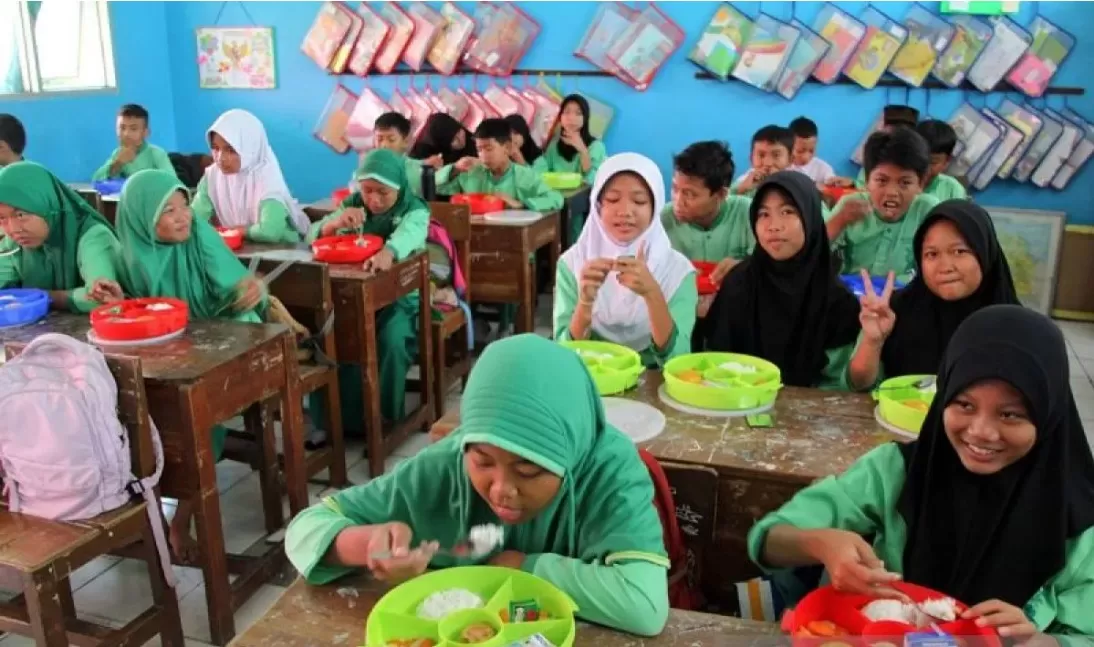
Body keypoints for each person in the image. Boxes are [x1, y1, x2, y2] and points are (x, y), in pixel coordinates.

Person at [285, 334, 671, 637]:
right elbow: (304, 529)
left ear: (570, 454)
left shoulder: (610, 472)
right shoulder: (445, 468)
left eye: (528, 470)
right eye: (483, 461)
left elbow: (644, 603)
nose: (501, 488)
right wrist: (366, 544)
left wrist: (523, 566)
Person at [748, 305, 1094, 638]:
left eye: (1010, 414)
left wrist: (1039, 641)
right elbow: (766, 539)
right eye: (964, 404)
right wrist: (820, 543)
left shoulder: (1079, 522)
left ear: (1049, 416)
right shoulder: (897, 471)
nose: (981, 432)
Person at [114, 169, 266, 560]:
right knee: (135, 426)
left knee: (198, 421)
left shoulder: (199, 234)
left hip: (211, 347)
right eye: (167, 210)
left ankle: (181, 522)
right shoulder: (127, 257)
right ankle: (150, 521)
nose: (183, 216)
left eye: (184, 205)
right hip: (157, 356)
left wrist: (249, 292)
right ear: (141, 219)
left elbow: (238, 288)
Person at [702, 171, 860, 390]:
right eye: (763, 214)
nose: (773, 226)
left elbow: (838, 384)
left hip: (810, 414)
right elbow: (715, 360)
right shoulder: (739, 282)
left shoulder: (836, 300)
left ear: (810, 217)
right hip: (736, 401)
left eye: (787, 211)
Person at [308, 149, 429, 428]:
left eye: (382, 192)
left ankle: (383, 418)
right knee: (330, 337)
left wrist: (390, 251)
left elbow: (410, 234)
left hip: (400, 299)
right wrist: (335, 223)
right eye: (367, 190)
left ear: (398, 188)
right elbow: (312, 234)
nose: (373, 200)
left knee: (391, 340)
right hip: (353, 296)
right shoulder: (353, 204)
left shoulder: (414, 209)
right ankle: (336, 422)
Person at [847, 201, 1019, 390]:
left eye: (959, 251)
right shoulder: (895, 309)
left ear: (985, 253)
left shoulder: (1014, 324)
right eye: (932, 254)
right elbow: (859, 384)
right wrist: (873, 342)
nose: (945, 266)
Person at [554, 152, 697, 367]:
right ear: (598, 207)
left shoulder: (677, 272)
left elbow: (679, 360)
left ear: (654, 208)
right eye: (612, 200)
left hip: (653, 381)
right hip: (592, 379)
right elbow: (562, 355)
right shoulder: (572, 263)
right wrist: (584, 303)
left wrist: (652, 293)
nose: (625, 212)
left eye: (639, 201)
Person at [0, 161, 123, 312]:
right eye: (1, 218)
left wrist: (40, 298)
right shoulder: (14, 245)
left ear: (48, 204)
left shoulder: (93, 236)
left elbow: (105, 300)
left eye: (21, 215)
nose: (13, 229)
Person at [661, 141, 752, 342]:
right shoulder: (663, 219)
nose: (678, 200)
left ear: (721, 194)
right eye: (675, 189)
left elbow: (772, 266)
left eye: (690, 194)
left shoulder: (747, 213)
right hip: (679, 313)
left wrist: (744, 267)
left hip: (735, 316)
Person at [826, 128, 940, 282]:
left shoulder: (927, 210)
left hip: (902, 296)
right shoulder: (851, 205)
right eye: (882, 181)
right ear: (866, 180)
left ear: (921, 183)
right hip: (854, 294)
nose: (892, 192)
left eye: (905, 182)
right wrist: (839, 221)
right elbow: (814, 250)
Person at [190, 109, 310, 244]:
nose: (220, 158)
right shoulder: (213, 176)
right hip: (239, 251)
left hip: (284, 251)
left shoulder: (266, 180)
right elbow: (194, 219)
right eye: (216, 148)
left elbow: (271, 232)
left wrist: (240, 231)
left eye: (230, 150)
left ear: (250, 148)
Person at [438, 119, 562, 212]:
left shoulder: (524, 175)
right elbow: (434, 187)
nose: (483, 155)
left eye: (489, 148)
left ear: (507, 148)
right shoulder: (471, 172)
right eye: (479, 150)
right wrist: (455, 168)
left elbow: (556, 198)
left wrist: (521, 204)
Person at [533, 94, 606, 185]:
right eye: (567, 112)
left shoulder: (596, 146)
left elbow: (592, 181)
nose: (571, 118)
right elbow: (541, 174)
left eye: (578, 113)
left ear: (585, 118)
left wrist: (582, 150)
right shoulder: (554, 146)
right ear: (560, 117)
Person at [91, 104, 176, 181]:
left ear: (146, 133)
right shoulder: (118, 154)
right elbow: (96, 180)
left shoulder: (156, 153)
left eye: (133, 129)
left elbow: (173, 183)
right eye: (122, 128)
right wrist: (118, 163)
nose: (126, 134)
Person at [847, 105, 921, 189]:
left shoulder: (917, 159)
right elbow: (863, 185)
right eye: (892, 129)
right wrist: (853, 183)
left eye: (902, 130)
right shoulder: (875, 156)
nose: (896, 134)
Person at [373, 111, 427, 197]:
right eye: (380, 139)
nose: (384, 145)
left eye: (391, 139)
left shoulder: (419, 170)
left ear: (405, 142)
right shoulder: (366, 170)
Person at [731, 125, 794, 197]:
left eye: (776, 155)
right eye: (761, 155)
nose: (768, 163)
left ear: (790, 159)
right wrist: (741, 190)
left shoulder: (797, 188)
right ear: (751, 159)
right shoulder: (741, 185)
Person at [915, 119, 968, 201]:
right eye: (920, 159)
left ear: (946, 161)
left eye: (933, 162)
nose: (925, 168)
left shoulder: (953, 190)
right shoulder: (896, 182)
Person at [409, 113, 476, 167]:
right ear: (444, 145)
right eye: (453, 139)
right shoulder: (422, 156)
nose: (460, 139)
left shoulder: (469, 138)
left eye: (458, 131)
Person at [788, 117, 836, 185]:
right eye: (800, 151)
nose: (806, 157)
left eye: (811, 151)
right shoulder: (783, 167)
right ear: (788, 146)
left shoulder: (823, 168)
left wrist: (833, 182)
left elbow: (831, 183)